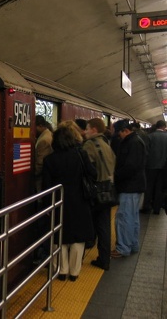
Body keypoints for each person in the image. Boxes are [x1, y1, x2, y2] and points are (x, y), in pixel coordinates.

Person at [42, 120, 96, 281]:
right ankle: (74, 272)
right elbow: (93, 174)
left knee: (59, 237)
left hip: (58, 202)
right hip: (79, 201)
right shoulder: (81, 155)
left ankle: (61, 270)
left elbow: (46, 187)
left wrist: (47, 207)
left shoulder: (49, 160)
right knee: (78, 238)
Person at [82, 118, 116, 271]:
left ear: (94, 130)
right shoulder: (106, 144)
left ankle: (95, 256)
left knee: (92, 224)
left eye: (87, 128)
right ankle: (104, 258)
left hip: (96, 191)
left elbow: (86, 168)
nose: (85, 131)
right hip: (108, 190)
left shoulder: (90, 144)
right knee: (104, 226)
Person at [111, 121, 146, 258]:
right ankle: (132, 244)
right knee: (132, 217)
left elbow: (130, 167)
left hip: (130, 186)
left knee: (124, 217)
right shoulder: (135, 141)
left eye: (119, 132)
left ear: (125, 130)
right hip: (133, 186)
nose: (118, 136)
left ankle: (123, 248)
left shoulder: (133, 143)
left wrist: (116, 176)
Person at [33, 115, 53, 263]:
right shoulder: (48, 136)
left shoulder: (44, 140)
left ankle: (43, 253)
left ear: (39, 125)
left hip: (41, 186)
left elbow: (40, 165)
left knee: (42, 222)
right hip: (44, 186)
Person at [141, 120, 167, 215]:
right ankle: (157, 208)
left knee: (149, 186)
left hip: (151, 166)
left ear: (156, 127)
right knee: (159, 188)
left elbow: (146, 152)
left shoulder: (150, 136)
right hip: (163, 167)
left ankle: (146, 206)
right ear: (164, 127)